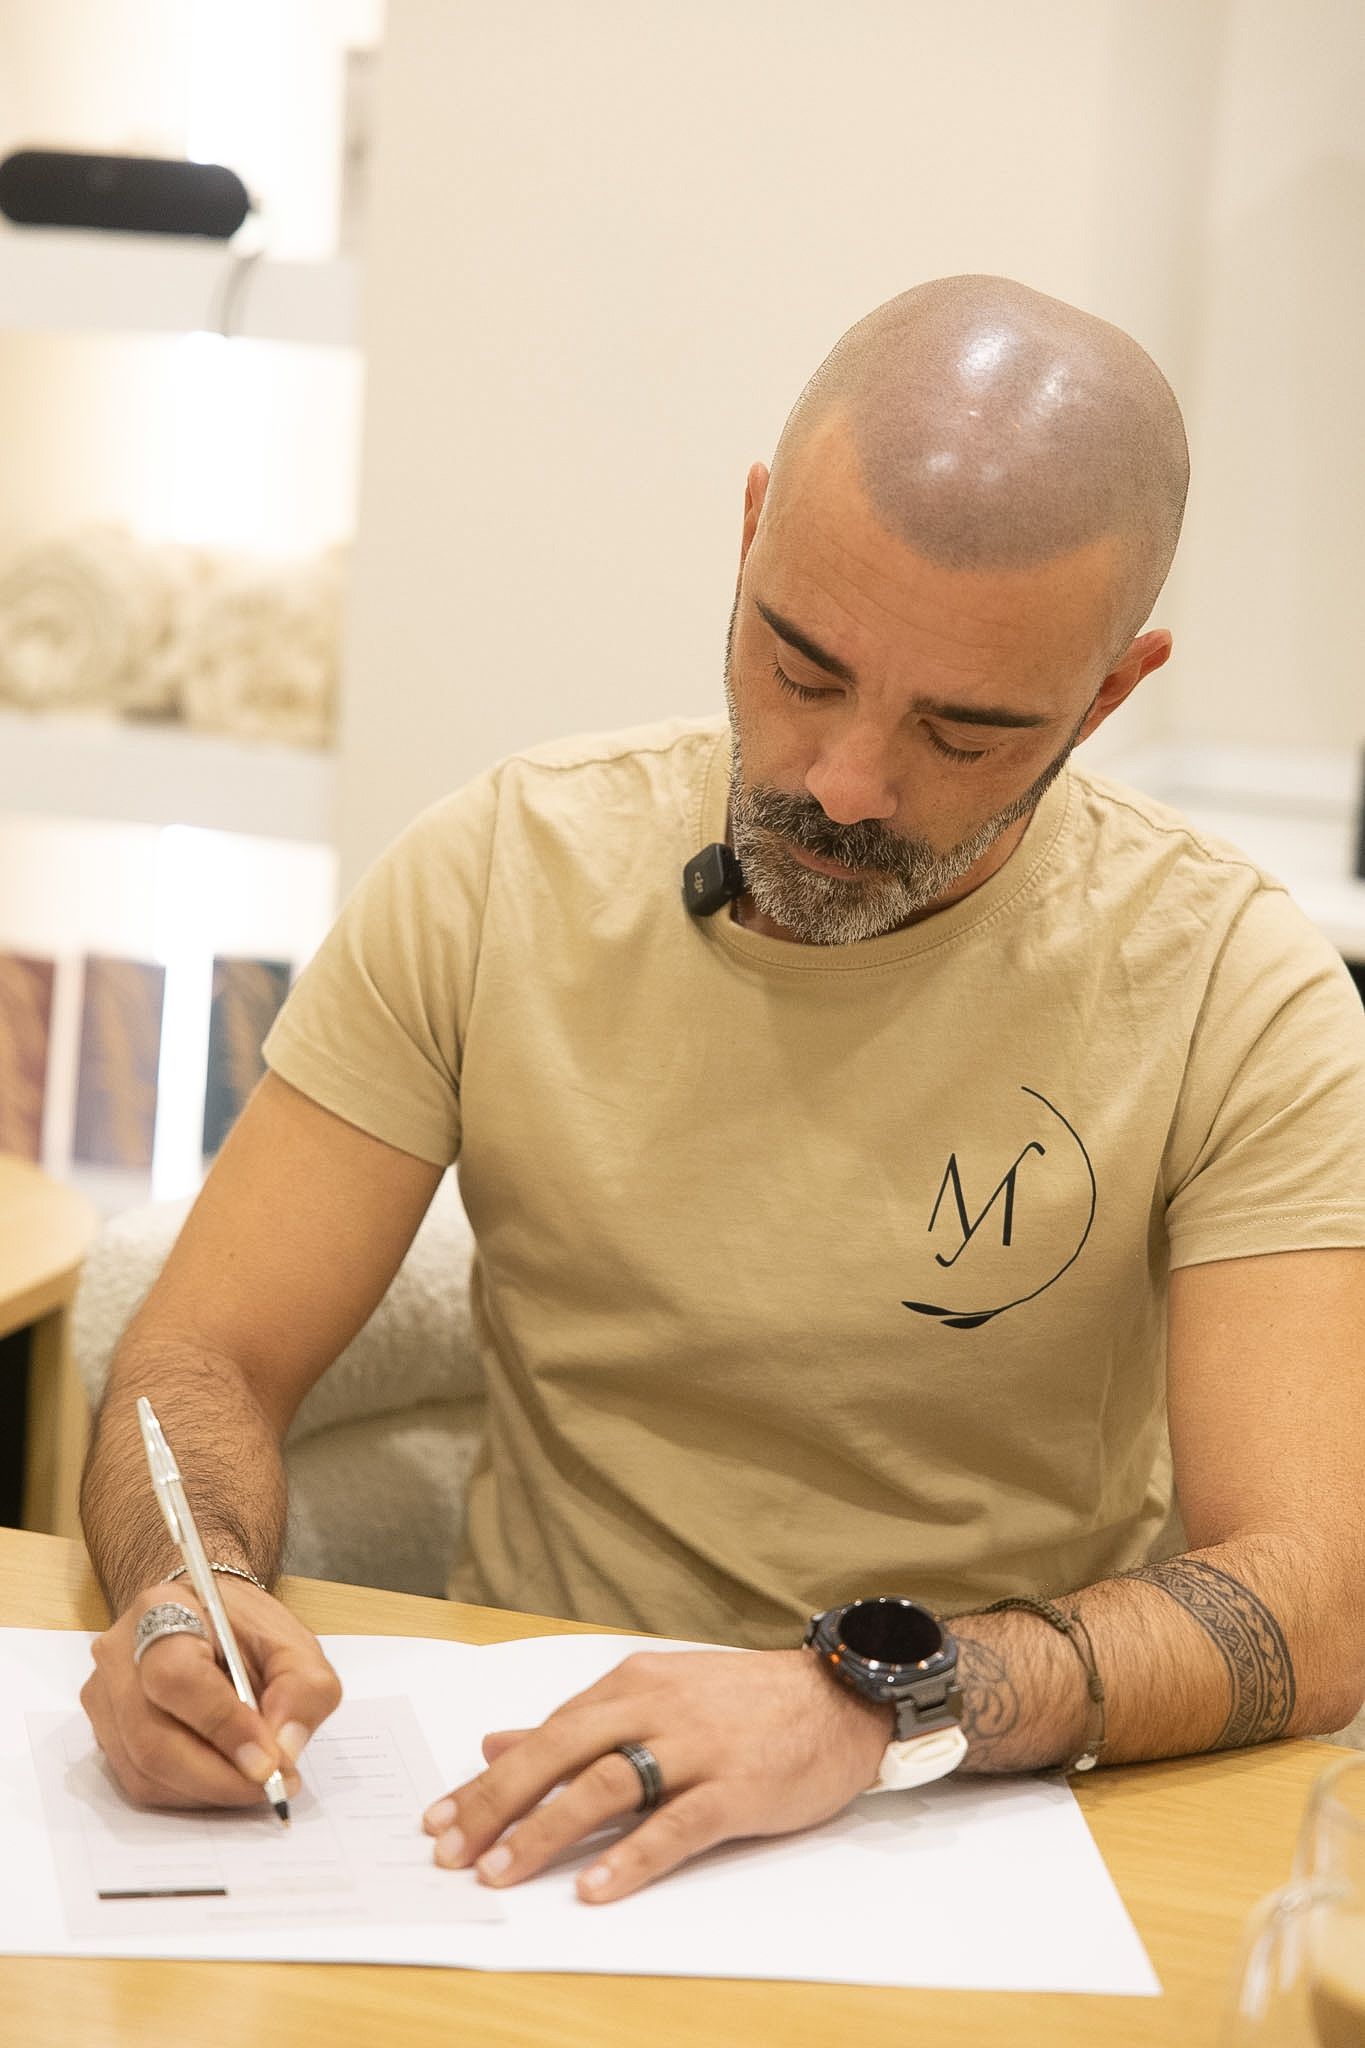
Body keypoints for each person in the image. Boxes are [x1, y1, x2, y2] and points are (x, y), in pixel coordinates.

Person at [79, 275, 1365, 1907]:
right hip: (532, 1794)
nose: (841, 783)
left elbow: (1314, 1603)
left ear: (1109, 694)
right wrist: (180, 1600)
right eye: (801, 662)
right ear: (752, 535)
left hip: (984, 1816)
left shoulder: (1234, 991)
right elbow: (199, 1356)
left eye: (961, 735)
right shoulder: (498, 871)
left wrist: (864, 1704)